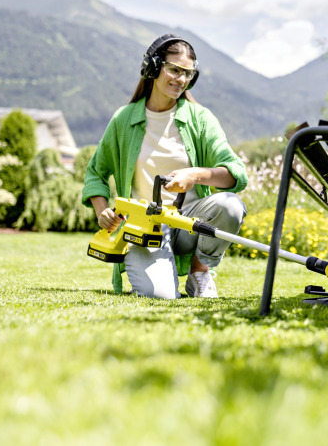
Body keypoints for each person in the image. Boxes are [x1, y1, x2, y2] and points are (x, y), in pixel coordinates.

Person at [81, 34, 248, 299]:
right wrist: (102, 211)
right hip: (146, 227)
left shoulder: (200, 118)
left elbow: (236, 174)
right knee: (160, 295)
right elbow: (95, 174)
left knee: (231, 205)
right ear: (154, 67)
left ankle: (200, 272)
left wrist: (195, 175)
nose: (181, 79)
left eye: (187, 73)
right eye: (174, 69)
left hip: (191, 222)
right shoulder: (124, 120)